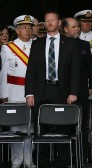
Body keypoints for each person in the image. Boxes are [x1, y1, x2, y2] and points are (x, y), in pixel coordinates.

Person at [25, 11, 80, 167]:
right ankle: (41, 162)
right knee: (41, 128)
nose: (49, 23)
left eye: (53, 20)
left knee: (62, 127)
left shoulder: (70, 43)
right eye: (47, 20)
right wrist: (29, 92)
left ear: (59, 22)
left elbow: (75, 71)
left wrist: (73, 92)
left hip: (61, 91)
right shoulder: (37, 43)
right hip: (41, 90)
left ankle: (62, 161)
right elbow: (31, 70)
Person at [0, 15, 36, 168]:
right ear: (18, 30)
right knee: (15, 128)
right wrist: (3, 95)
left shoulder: (37, 46)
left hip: (32, 92)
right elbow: (3, 74)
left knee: (30, 128)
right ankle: (16, 160)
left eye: (29, 27)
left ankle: (28, 159)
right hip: (14, 92)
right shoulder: (8, 47)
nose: (27, 30)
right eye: (24, 28)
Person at [61, 17, 92, 165]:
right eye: (74, 27)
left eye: (78, 26)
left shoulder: (83, 45)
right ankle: (65, 159)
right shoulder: (59, 45)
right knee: (63, 127)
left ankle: (82, 157)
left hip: (81, 92)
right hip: (62, 92)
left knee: (81, 126)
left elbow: (90, 68)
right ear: (65, 29)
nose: (77, 29)